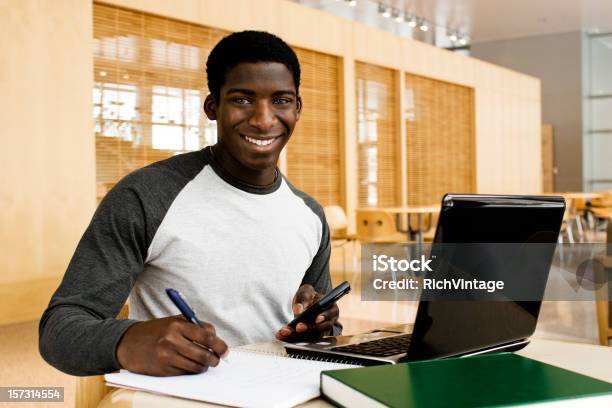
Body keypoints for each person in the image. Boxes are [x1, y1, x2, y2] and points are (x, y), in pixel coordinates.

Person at [39, 30, 341, 377]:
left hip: (287, 391)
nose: (263, 118)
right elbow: (58, 331)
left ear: (297, 109)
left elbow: (326, 334)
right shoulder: (145, 196)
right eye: (242, 99)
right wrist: (127, 339)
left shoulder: (310, 215)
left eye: (281, 100)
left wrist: (319, 328)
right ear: (212, 107)